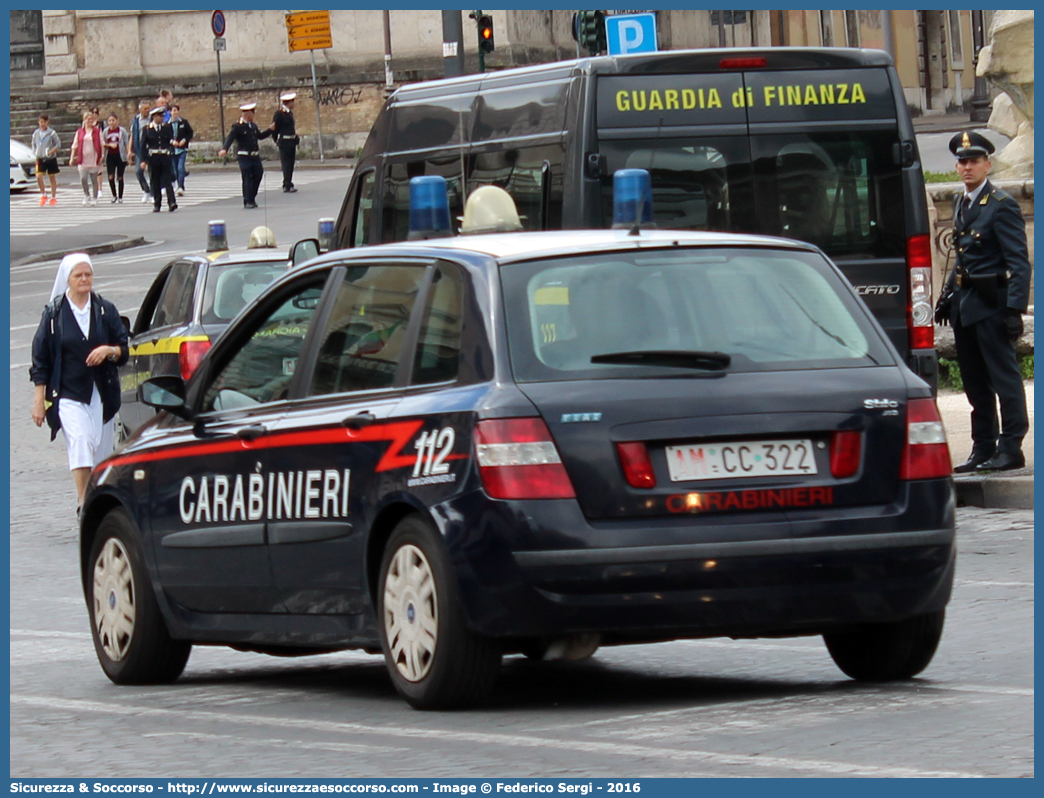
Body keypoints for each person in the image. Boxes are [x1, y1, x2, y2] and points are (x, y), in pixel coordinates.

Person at [934, 131, 1032, 473]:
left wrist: (1014, 309)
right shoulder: (962, 202)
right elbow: (962, 258)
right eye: (962, 162)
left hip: (992, 305)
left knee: (1003, 378)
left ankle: (1011, 447)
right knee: (975, 383)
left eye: (974, 161)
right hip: (966, 305)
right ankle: (983, 446)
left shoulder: (1001, 205)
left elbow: (1019, 262)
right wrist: (947, 296)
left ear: (987, 164)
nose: (967, 167)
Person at [30, 253, 129, 512]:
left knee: (101, 451)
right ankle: (84, 501)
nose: (84, 279)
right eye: (78, 275)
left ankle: (99, 501)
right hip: (68, 393)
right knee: (81, 440)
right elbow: (41, 358)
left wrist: (109, 350)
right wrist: (39, 400)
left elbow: (123, 348)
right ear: (68, 279)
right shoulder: (54, 315)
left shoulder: (105, 310)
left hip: (101, 393)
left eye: (88, 275)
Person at [218, 102, 273, 209]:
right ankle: (248, 200)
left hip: (254, 156)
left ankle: (252, 196)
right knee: (247, 177)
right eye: (252, 114)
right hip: (244, 156)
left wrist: (270, 130)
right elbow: (230, 138)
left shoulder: (253, 126)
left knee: (258, 174)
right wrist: (224, 149)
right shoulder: (237, 126)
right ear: (247, 114)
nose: (253, 116)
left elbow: (259, 136)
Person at [142, 106, 177, 213]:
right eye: (160, 116)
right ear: (154, 117)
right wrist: (144, 160)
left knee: (167, 180)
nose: (162, 118)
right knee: (155, 181)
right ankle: (157, 204)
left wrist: (171, 149)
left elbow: (170, 140)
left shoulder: (167, 127)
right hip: (154, 157)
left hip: (164, 156)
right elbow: (143, 145)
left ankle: (172, 202)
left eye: (162, 116)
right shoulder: (147, 129)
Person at [70, 110, 103, 206]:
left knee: (94, 179)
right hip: (83, 158)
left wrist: (102, 156)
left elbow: (101, 144)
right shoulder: (80, 132)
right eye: (88, 119)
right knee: (83, 178)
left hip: (94, 158)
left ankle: (94, 197)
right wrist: (72, 157)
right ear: (84, 120)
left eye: (91, 119)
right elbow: (75, 145)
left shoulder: (97, 131)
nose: (90, 120)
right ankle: (86, 194)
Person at [271, 91, 299, 193]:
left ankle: (289, 182)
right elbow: (275, 128)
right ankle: (287, 184)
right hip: (284, 142)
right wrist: (277, 140)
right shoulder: (279, 114)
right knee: (286, 163)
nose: (294, 104)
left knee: (291, 163)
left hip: (291, 141)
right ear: (288, 103)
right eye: (293, 102)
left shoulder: (289, 113)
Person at [32, 114, 61, 206]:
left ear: (47, 122)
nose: (42, 124)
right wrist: (35, 152)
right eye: (41, 122)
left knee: (52, 177)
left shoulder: (51, 133)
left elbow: (58, 144)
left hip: (50, 158)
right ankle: (43, 194)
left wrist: (50, 152)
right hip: (40, 158)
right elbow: (33, 144)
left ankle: (53, 197)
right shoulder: (36, 133)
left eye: (44, 122)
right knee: (38, 176)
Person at [103, 113, 130, 204]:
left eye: (113, 120)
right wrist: (109, 145)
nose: (111, 123)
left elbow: (126, 142)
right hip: (110, 156)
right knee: (110, 176)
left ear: (117, 121)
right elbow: (102, 143)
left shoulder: (122, 131)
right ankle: (114, 195)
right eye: (110, 121)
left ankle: (120, 196)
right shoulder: (106, 132)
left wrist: (128, 153)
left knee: (120, 177)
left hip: (120, 156)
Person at [130, 100, 152, 203]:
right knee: (139, 172)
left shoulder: (152, 119)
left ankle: (153, 193)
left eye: (148, 108)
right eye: (145, 108)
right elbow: (133, 135)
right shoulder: (136, 120)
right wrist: (129, 150)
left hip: (151, 149)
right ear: (140, 109)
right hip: (139, 149)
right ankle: (146, 189)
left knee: (152, 172)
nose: (147, 110)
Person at [169, 104, 194, 196]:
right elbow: (166, 136)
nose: (175, 112)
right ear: (170, 112)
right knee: (175, 170)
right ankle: (177, 183)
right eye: (173, 110)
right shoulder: (167, 124)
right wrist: (172, 141)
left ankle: (181, 186)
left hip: (182, 149)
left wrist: (184, 140)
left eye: (176, 110)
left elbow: (190, 133)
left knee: (180, 168)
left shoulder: (183, 122)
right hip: (172, 150)